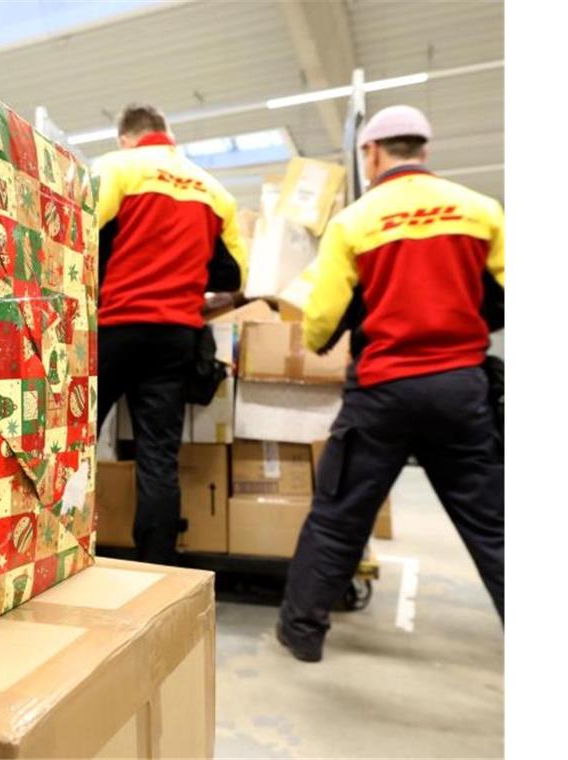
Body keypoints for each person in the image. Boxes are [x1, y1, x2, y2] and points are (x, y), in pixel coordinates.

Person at [276, 105, 505, 662]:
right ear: (423, 149)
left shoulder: (355, 221)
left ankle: (302, 633)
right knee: (493, 523)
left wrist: (321, 336)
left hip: (382, 393)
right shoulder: (480, 211)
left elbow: (323, 320)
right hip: (459, 388)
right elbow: (504, 297)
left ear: (371, 154)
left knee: (339, 512)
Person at [94, 104, 248, 564]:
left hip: (116, 328)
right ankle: (156, 567)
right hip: (177, 336)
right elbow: (235, 274)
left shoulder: (115, 167)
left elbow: (78, 234)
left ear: (127, 137)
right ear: (167, 133)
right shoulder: (214, 190)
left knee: (72, 443)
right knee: (158, 456)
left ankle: (57, 544)